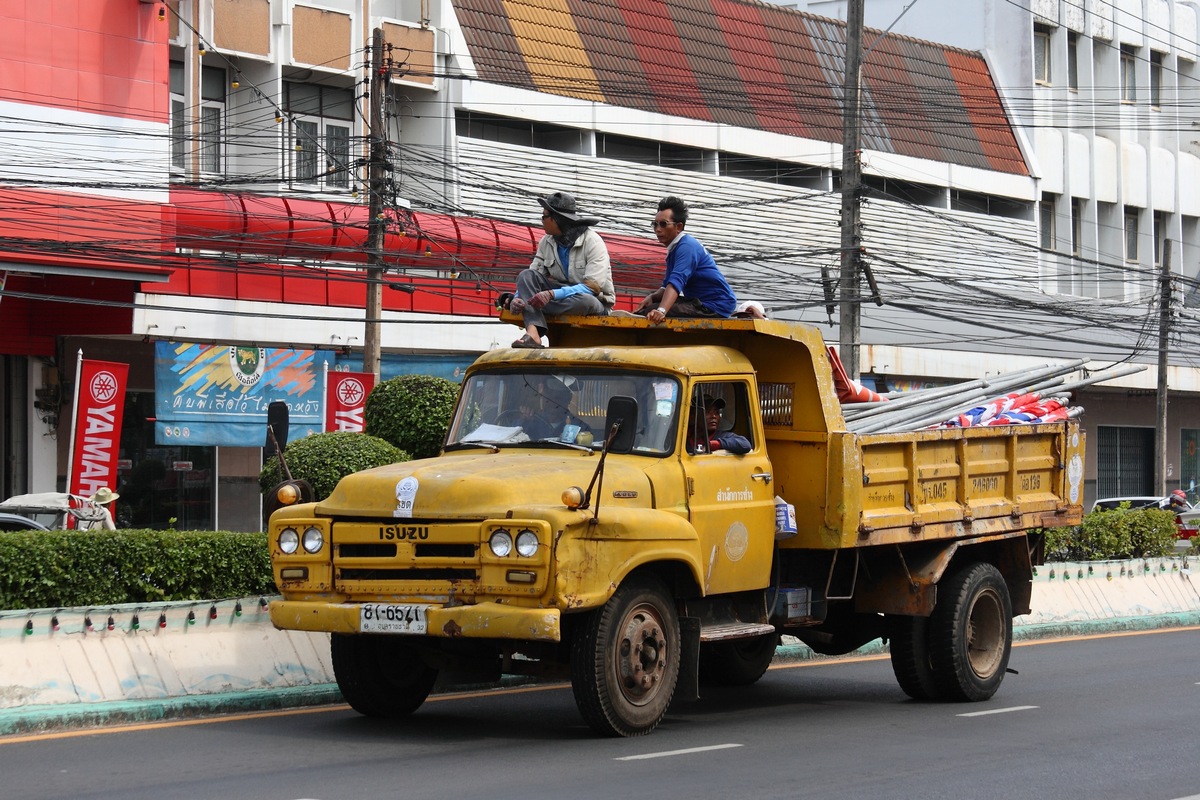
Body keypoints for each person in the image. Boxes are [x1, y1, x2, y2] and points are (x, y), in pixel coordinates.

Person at [508, 192, 615, 348]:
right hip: (559, 299)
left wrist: (550, 295)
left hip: (594, 302)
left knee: (584, 301)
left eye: (544, 216)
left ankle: (531, 310)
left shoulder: (593, 241)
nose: (542, 221)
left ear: (556, 219)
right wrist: (518, 298)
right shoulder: (547, 241)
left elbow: (592, 287)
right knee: (525, 275)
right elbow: (533, 274)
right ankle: (533, 333)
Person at [635, 196, 737, 323]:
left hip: (714, 306)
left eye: (663, 224)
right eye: (655, 224)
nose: (658, 229)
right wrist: (652, 297)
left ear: (678, 227)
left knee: (653, 309)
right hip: (699, 302)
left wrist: (661, 311)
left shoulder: (686, 247)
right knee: (649, 307)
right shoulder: (675, 249)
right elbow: (666, 286)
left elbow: (676, 282)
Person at [685, 394, 751, 454]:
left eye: (716, 412)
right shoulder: (683, 437)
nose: (713, 416)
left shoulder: (722, 436)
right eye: (707, 412)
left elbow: (745, 445)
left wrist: (714, 444)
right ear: (693, 417)